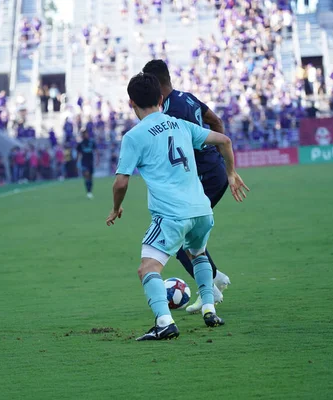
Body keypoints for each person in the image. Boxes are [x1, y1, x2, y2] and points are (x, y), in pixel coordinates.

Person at [106, 73, 248, 340]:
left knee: (148, 269)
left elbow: (120, 183)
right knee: (199, 253)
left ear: (130, 102)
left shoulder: (134, 136)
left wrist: (116, 208)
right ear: (161, 98)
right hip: (202, 210)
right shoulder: (181, 125)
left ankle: (163, 322)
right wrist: (231, 173)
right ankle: (209, 308)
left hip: (172, 214)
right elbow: (225, 141)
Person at [142, 59, 249, 313]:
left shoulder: (170, 111)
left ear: (155, 84)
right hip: (213, 172)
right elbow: (217, 122)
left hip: (204, 177)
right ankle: (215, 277)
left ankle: (209, 291)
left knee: (179, 238)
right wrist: (226, 168)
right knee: (190, 230)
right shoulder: (186, 98)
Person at [77, 129, 97, 199]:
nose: (85, 135)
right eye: (83, 134)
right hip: (84, 162)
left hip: (90, 162)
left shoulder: (92, 142)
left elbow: (96, 151)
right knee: (86, 175)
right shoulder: (80, 144)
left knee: (90, 177)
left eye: (86, 133)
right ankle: (88, 191)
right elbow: (79, 154)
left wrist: (97, 160)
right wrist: (78, 163)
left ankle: (90, 191)